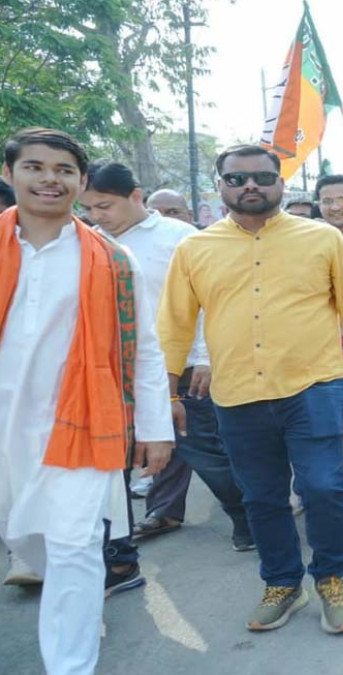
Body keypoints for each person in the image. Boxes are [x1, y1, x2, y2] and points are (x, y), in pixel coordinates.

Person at [159, 144, 343, 634]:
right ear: (219, 186)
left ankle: (331, 579)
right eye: (237, 178)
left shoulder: (321, 238)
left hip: (313, 385)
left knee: (323, 486)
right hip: (237, 393)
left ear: (281, 184)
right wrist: (169, 395)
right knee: (262, 496)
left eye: (263, 177)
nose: (250, 185)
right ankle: (283, 583)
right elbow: (175, 326)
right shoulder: (195, 249)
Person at [0, 127, 175, 674]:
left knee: (74, 547)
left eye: (64, 170)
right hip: (6, 426)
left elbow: (145, 349)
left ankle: (70, 665)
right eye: (34, 167)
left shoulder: (113, 260)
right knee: (27, 537)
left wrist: (155, 428)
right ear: (9, 174)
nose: (49, 179)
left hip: (81, 424)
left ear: (80, 182)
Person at [78, 161, 253, 552]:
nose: (96, 216)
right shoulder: (89, 242)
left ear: (135, 196)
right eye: (87, 208)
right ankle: (128, 540)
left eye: (104, 206)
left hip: (182, 368)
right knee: (118, 459)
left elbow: (211, 302)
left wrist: (205, 356)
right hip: (113, 372)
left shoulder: (180, 238)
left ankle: (248, 518)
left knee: (203, 452)